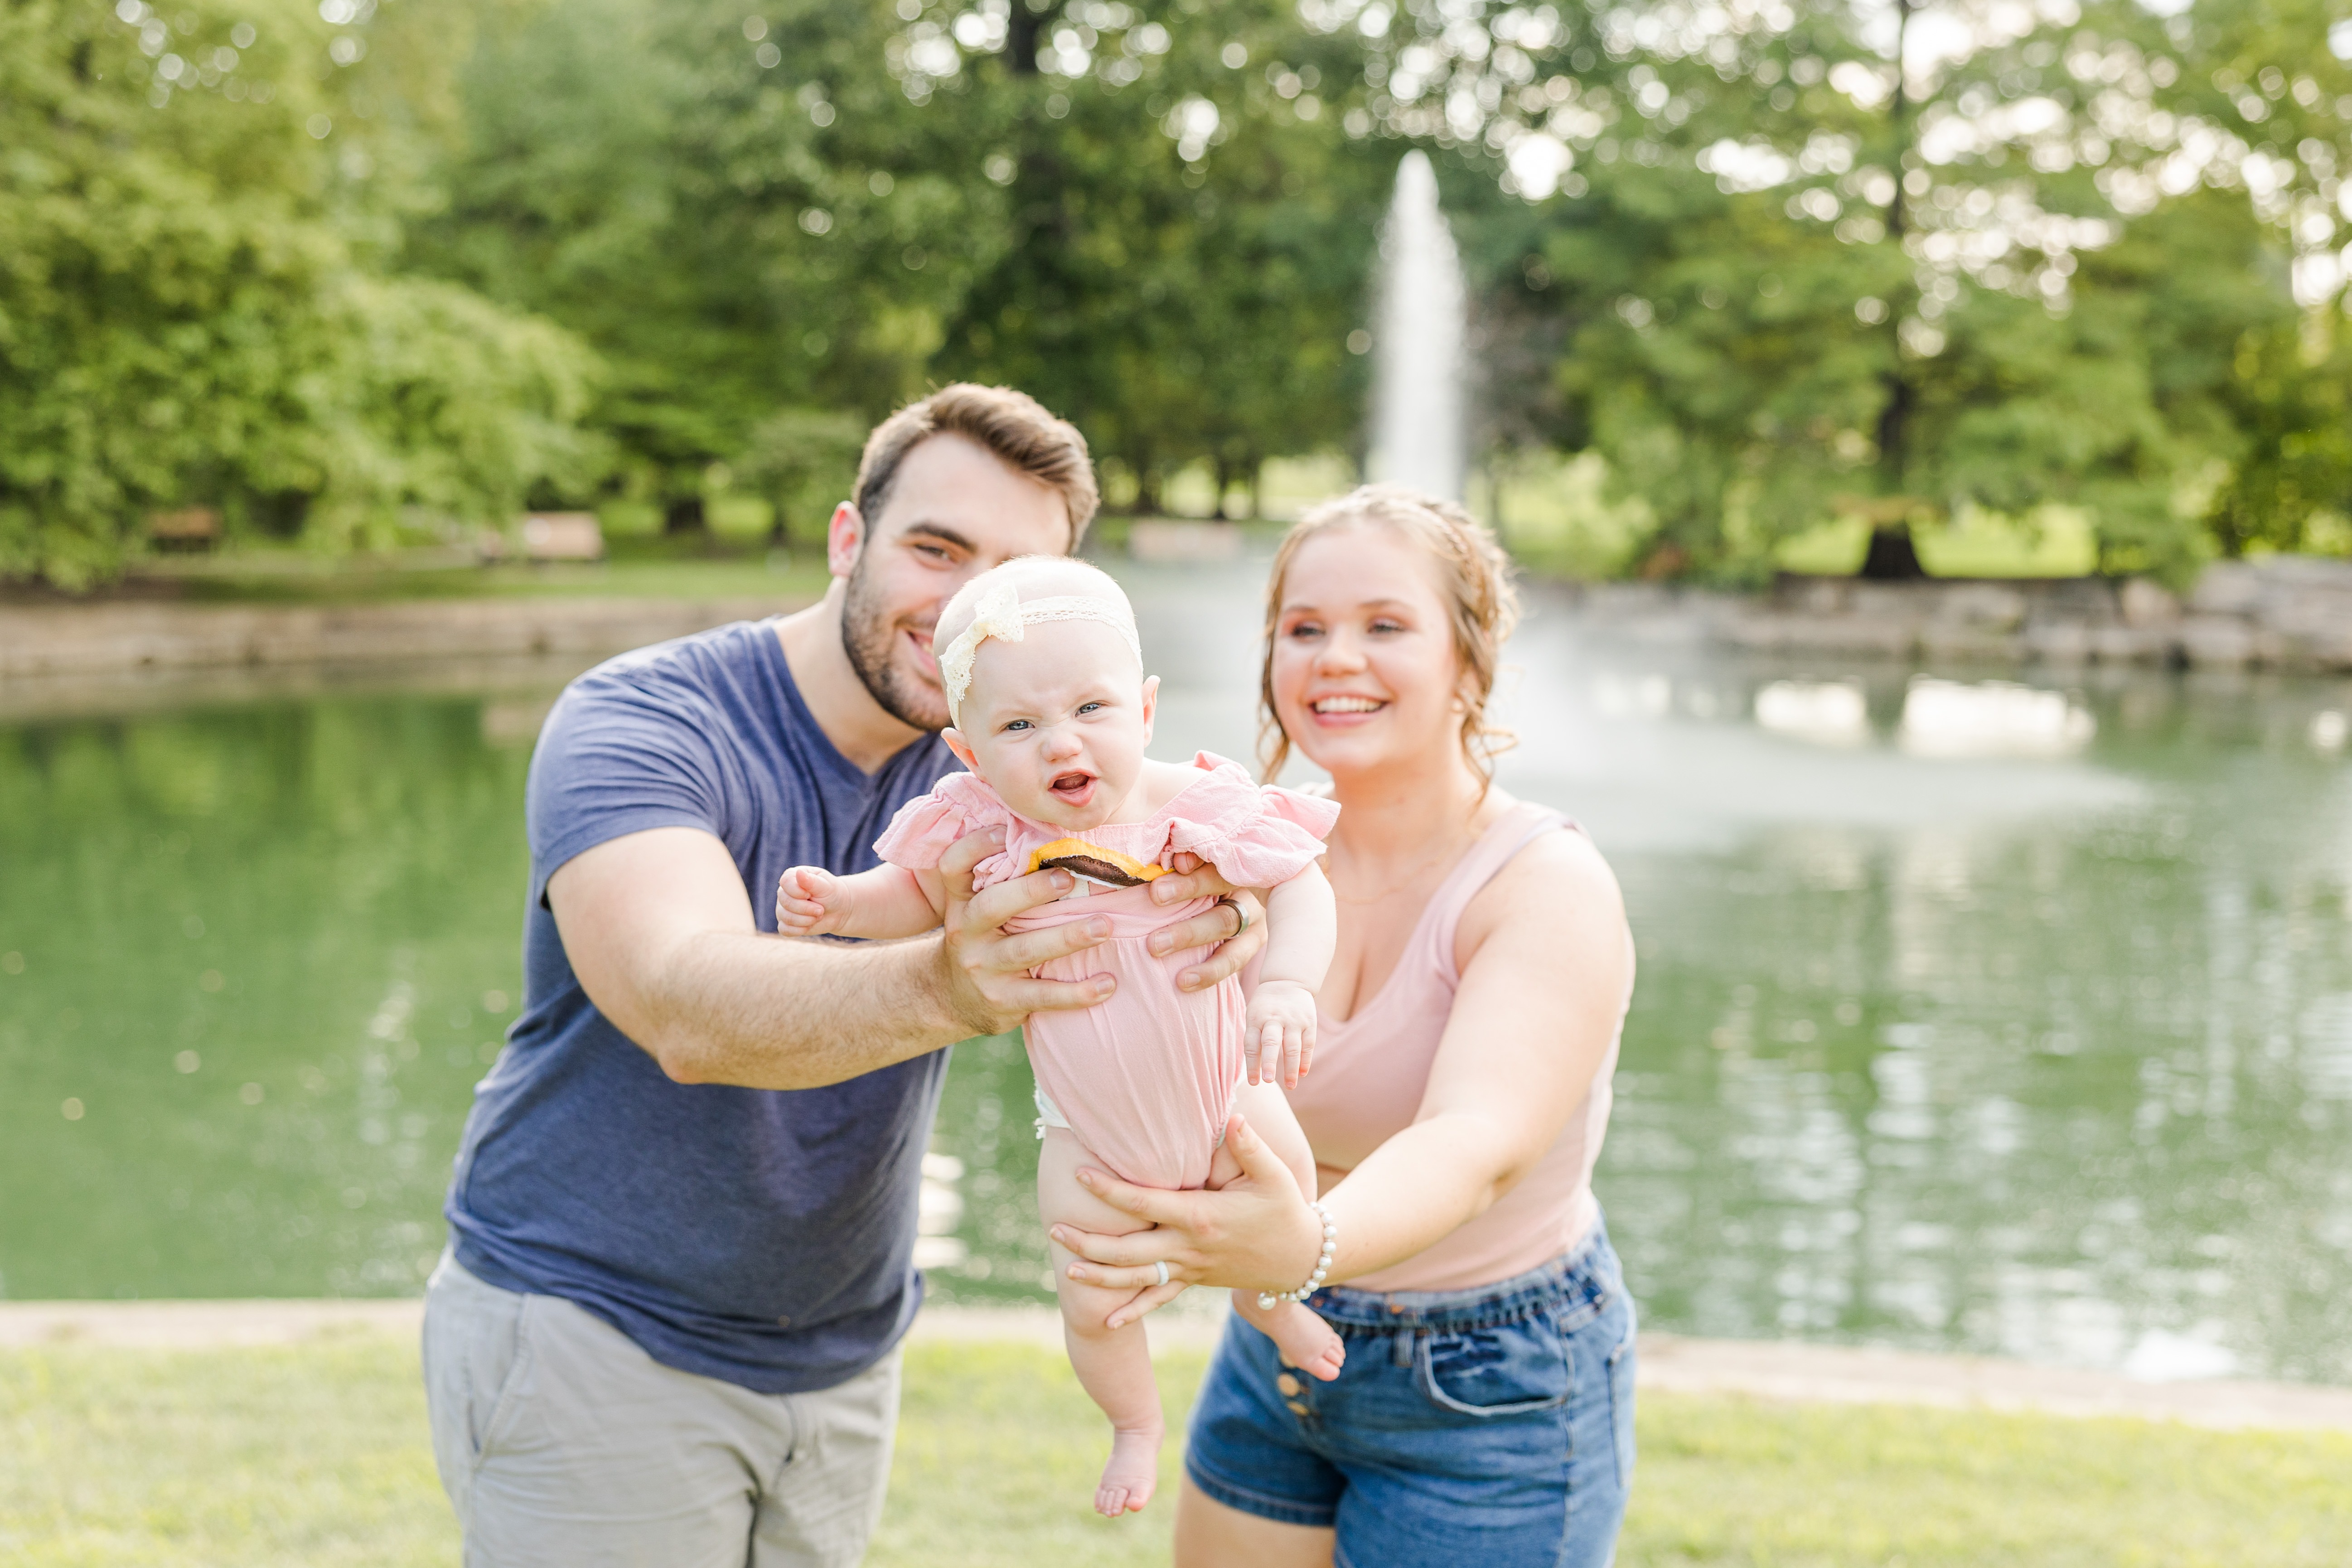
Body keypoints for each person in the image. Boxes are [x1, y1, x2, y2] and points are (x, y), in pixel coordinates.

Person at [419, 385, 1268, 1568]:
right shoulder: (643, 719)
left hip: (845, 1347)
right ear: (843, 540)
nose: (964, 606)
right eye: (936, 550)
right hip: (594, 1330)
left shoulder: (1015, 758)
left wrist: (1230, 909)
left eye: (1014, 578)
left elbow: (1231, 825)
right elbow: (681, 1003)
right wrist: (951, 985)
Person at [1049, 484, 1640, 1568]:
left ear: (1469, 658)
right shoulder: (1224, 857)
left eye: (1386, 626)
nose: (1335, 658)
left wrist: (1301, 1242)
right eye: (1304, 628)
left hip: (1493, 1376)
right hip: (1275, 1349)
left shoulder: (1545, 882)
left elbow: (1478, 1145)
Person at [773, 555, 1344, 1519]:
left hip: (1225, 1093)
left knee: (1286, 1191)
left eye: (1092, 709)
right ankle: (1134, 1421)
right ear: (968, 753)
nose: (1061, 743)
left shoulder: (1191, 806)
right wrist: (842, 903)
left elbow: (1299, 881)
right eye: (1020, 726)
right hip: (1086, 1131)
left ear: (1146, 709)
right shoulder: (981, 825)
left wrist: (1285, 983)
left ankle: (1270, 1304)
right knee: (1089, 1290)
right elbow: (914, 895)